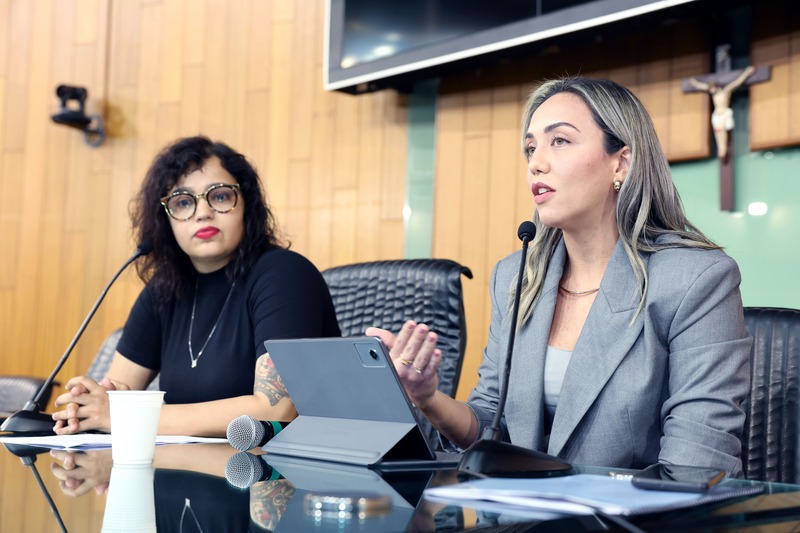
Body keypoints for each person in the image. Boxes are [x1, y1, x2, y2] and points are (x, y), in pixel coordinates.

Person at [368, 77, 752, 476]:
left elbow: (698, 466)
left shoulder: (696, 279)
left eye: (560, 141)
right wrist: (427, 397)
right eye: (531, 148)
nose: (536, 162)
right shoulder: (516, 277)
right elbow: (491, 429)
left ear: (621, 163)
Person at [52, 136, 340, 437]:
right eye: (183, 202)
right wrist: (86, 408)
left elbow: (275, 410)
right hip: (182, 472)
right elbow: (112, 399)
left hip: (277, 476)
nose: (202, 212)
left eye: (219, 196)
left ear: (247, 204)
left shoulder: (284, 273)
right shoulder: (162, 291)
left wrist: (124, 415)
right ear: (167, 220)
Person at [688, 65, 756, 160]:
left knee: (722, 131)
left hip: (724, 113)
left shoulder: (725, 92)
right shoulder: (713, 93)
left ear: (717, 87)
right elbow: (703, 87)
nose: (711, 91)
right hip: (717, 114)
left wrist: (746, 73)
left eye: (712, 89)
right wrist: (694, 83)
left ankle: (723, 148)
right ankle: (720, 148)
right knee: (717, 131)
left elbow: (737, 83)